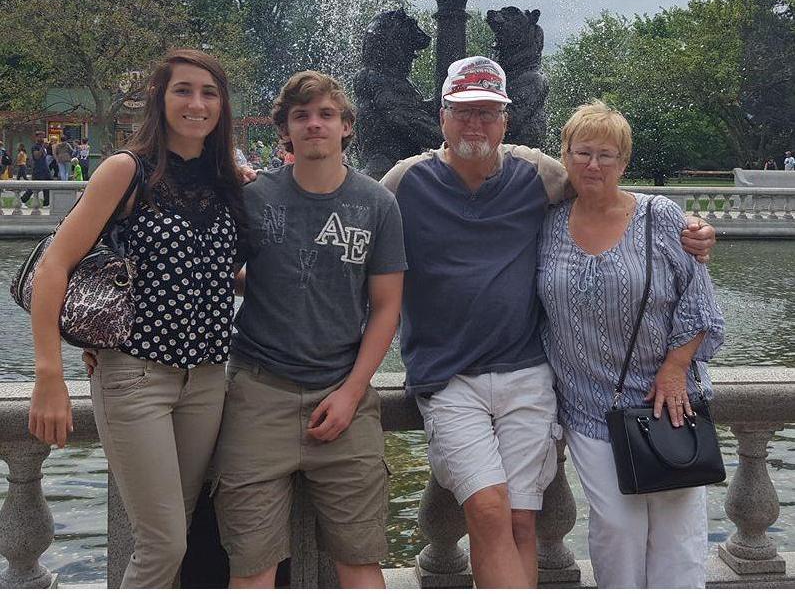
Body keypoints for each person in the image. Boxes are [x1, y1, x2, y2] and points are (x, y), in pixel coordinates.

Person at [380, 56, 717, 588]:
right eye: (463, 112)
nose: (476, 125)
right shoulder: (405, 181)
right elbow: (353, 225)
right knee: (493, 511)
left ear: (506, 122)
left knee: (521, 519)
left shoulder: (536, 176)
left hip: (527, 374)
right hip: (450, 378)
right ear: (441, 116)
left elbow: (618, 205)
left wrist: (693, 229)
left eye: (488, 113)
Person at [28, 49, 247, 588]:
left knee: (178, 531)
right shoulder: (128, 171)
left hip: (207, 380)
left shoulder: (227, 182)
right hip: (134, 375)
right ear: (160, 98)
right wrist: (48, 375)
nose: (197, 103)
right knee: (163, 542)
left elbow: (221, 272)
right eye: (183, 90)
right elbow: (55, 264)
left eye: (209, 93)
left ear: (222, 106)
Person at [213, 70, 406, 589]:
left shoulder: (377, 205)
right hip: (258, 395)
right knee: (251, 566)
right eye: (302, 116)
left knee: (362, 562)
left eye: (326, 115)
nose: (314, 124)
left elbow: (387, 307)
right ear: (286, 131)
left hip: (343, 393)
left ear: (347, 126)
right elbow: (210, 270)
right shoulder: (253, 200)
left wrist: (351, 392)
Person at [538, 101, 725, 588]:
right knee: (616, 530)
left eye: (606, 155)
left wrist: (676, 365)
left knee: (678, 535)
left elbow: (699, 300)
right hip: (589, 404)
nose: (593, 164)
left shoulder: (658, 216)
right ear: (566, 156)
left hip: (667, 398)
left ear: (624, 162)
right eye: (582, 153)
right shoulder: (548, 223)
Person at [21, 131, 51, 206]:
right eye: (40, 137)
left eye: (43, 137)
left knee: (48, 186)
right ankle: (23, 200)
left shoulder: (43, 147)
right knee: (34, 187)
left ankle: (46, 203)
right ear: (36, 137)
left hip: (45, 169)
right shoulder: (35, 146)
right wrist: (42, 147)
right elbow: (36, 156)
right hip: (38, 170)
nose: (42, 138)